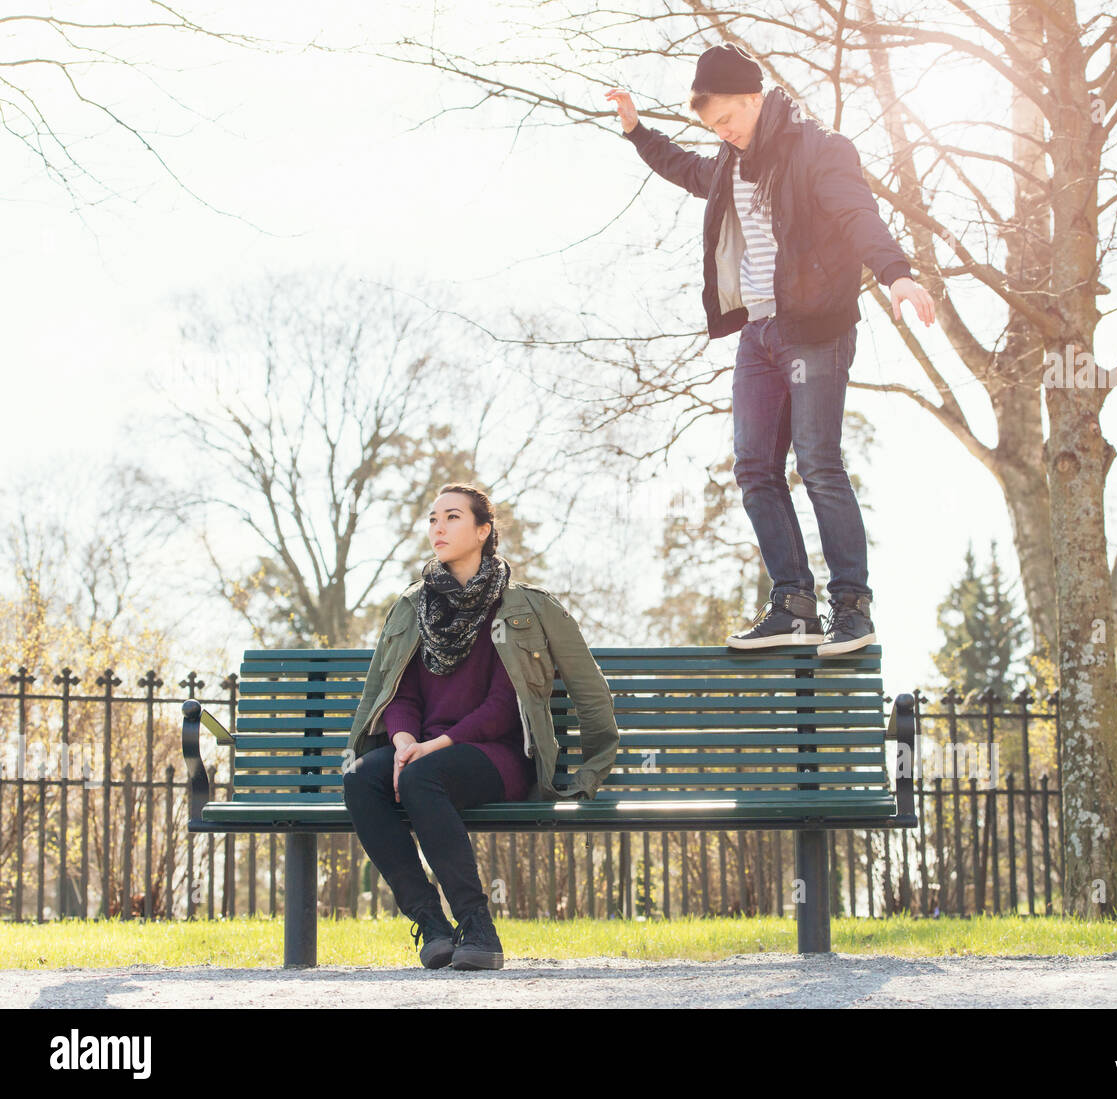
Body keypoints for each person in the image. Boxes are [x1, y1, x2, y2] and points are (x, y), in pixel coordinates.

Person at [605, 43, 938, 655]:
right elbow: (684, 169)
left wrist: (896, 273)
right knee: (754, 467)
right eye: (712, 128)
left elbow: (858, 214)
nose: (722, 134)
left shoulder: (820, 150)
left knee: (817, 462)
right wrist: (636, 131)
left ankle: (853, 610)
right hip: (758, 335)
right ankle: (793, 605)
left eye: (727, 119)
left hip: (815, 329)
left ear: (755, 99)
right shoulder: (728, 165)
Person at [343, 483, 619, 970]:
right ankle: (431, 924)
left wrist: (437, 745)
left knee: (420, 777)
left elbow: (505, 705)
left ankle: (478, 926)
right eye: (432, 519)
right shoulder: (413, 606)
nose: (438, 527)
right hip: (426, 751)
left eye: (451, 517)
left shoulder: (522, 606)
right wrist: (406, 739)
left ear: (483, 530)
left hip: (498, 755)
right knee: (362, 777)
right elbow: (397, 691)